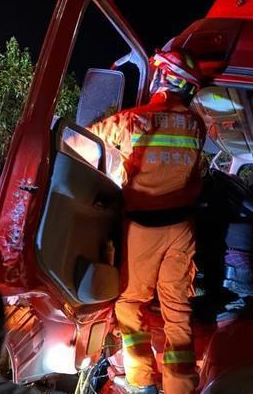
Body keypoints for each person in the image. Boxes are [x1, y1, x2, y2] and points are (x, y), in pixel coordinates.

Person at [70, 48, 205, 394]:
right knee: (177, 309)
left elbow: (78, 143)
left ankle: (144, 383)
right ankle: (181, 388)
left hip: (146, 228)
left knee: (131, 305)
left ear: (162, 78)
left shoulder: (135, 121)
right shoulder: (196, 125)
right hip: (183, 230)